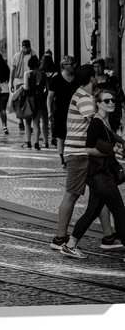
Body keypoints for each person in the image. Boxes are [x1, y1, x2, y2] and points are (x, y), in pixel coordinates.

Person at [51, 64, 122, 251]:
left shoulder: (84, 95)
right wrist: (115, 144)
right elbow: (97, 125)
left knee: (101, 194)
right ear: (92, 78)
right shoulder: (84, 98)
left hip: (83, 154)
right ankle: (60, 239)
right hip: (78, 153)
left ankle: (108, 237)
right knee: (72, 194)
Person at [60, 89, 125, 258]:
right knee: (119, 211)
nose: (111, 103)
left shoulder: (105, 121)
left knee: (92, 212)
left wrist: (119, 146)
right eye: (106, 100)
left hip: (99, 174)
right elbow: (88, 148)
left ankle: (70, 245)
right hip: (99, 175)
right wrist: (112, 152)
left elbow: (115, 140)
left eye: (113, 100)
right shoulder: (96, 123)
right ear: (98, 103)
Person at [47, 55, 78, 168]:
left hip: (76, 112)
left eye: (74, 63)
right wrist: (49, 111)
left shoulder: (77, 78)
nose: (74, 65)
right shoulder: (56, 79)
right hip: (60, 112)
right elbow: (50, 97)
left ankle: (71, 156)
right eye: (71, 64)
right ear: (64, 66)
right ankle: (63, 159)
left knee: (74, 135)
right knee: (61, 136)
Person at [22, 55, 48, 149]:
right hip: (40, 99)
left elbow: (26, 88)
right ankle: (36, 143)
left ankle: (28, 142)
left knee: (28, 123)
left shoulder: (27, 74)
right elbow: (47, 89)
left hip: (29, 100)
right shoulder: (43, 74)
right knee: (36, 122)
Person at [10, 39, 35, 131]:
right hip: (19, 81)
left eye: (26, 47)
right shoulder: (17, 56)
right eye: (23, 47)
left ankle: (28, 122)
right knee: (19, 102)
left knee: (29, 102)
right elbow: (13, 70)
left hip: (29, 81)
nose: (25, 49)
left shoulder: (33, 55)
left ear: (29, 47)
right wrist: (11, 83)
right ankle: (21, 122)